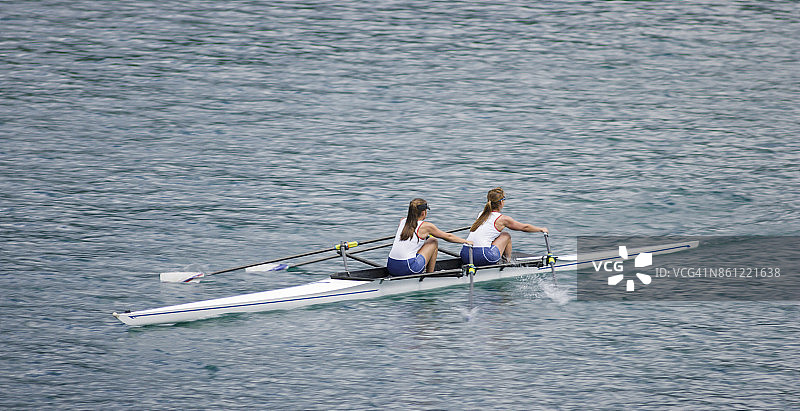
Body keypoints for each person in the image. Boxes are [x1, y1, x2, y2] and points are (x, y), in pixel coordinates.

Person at [461, 187, 548, 266]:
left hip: (465, 255)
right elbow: (524, 227)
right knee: (506, 235)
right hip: (483, 256)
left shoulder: (481, 214)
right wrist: (541, 229)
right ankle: (507, 262)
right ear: (501, 202)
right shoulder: (503, 219)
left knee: (494, 236)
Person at [387, 198, 473, 276]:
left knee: (422, 242)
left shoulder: (403, 221)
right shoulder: (426, 226)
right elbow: (448, 236)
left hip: (391, 266)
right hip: (409, 268)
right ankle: (430, 275)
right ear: (424, 212)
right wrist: (465, 241)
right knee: (433, 241)